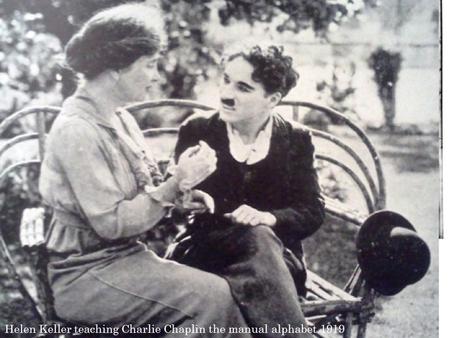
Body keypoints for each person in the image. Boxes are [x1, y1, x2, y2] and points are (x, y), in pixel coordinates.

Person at [39, 4, 252, 337]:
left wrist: (181, 194)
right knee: (211, 296)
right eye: (150, 65)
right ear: (115, 70)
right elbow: (113, 223)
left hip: (123, 260)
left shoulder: (118, 117)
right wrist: (174, 183)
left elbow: (146, 191)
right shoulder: (77, 130)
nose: (156, 76)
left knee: (226, 285)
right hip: (85, 276)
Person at [167, 45, 325, 338]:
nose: (226, 94)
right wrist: (185, 199)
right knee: (252, 257)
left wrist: (268, 218)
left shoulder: (296, 139)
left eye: (243, 87)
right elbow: (173, 198)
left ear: (272, 99)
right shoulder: (198, 130)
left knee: (260, 236)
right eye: (225, 80)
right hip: (204, 254)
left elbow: (312, 210)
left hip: (276, 263)